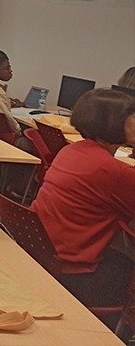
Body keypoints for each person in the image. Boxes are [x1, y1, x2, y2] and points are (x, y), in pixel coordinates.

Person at [31, 89, 135, 329]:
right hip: (76, 274)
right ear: (115, 124)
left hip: (44, 254)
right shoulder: (112, 171)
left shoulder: (71, 151)